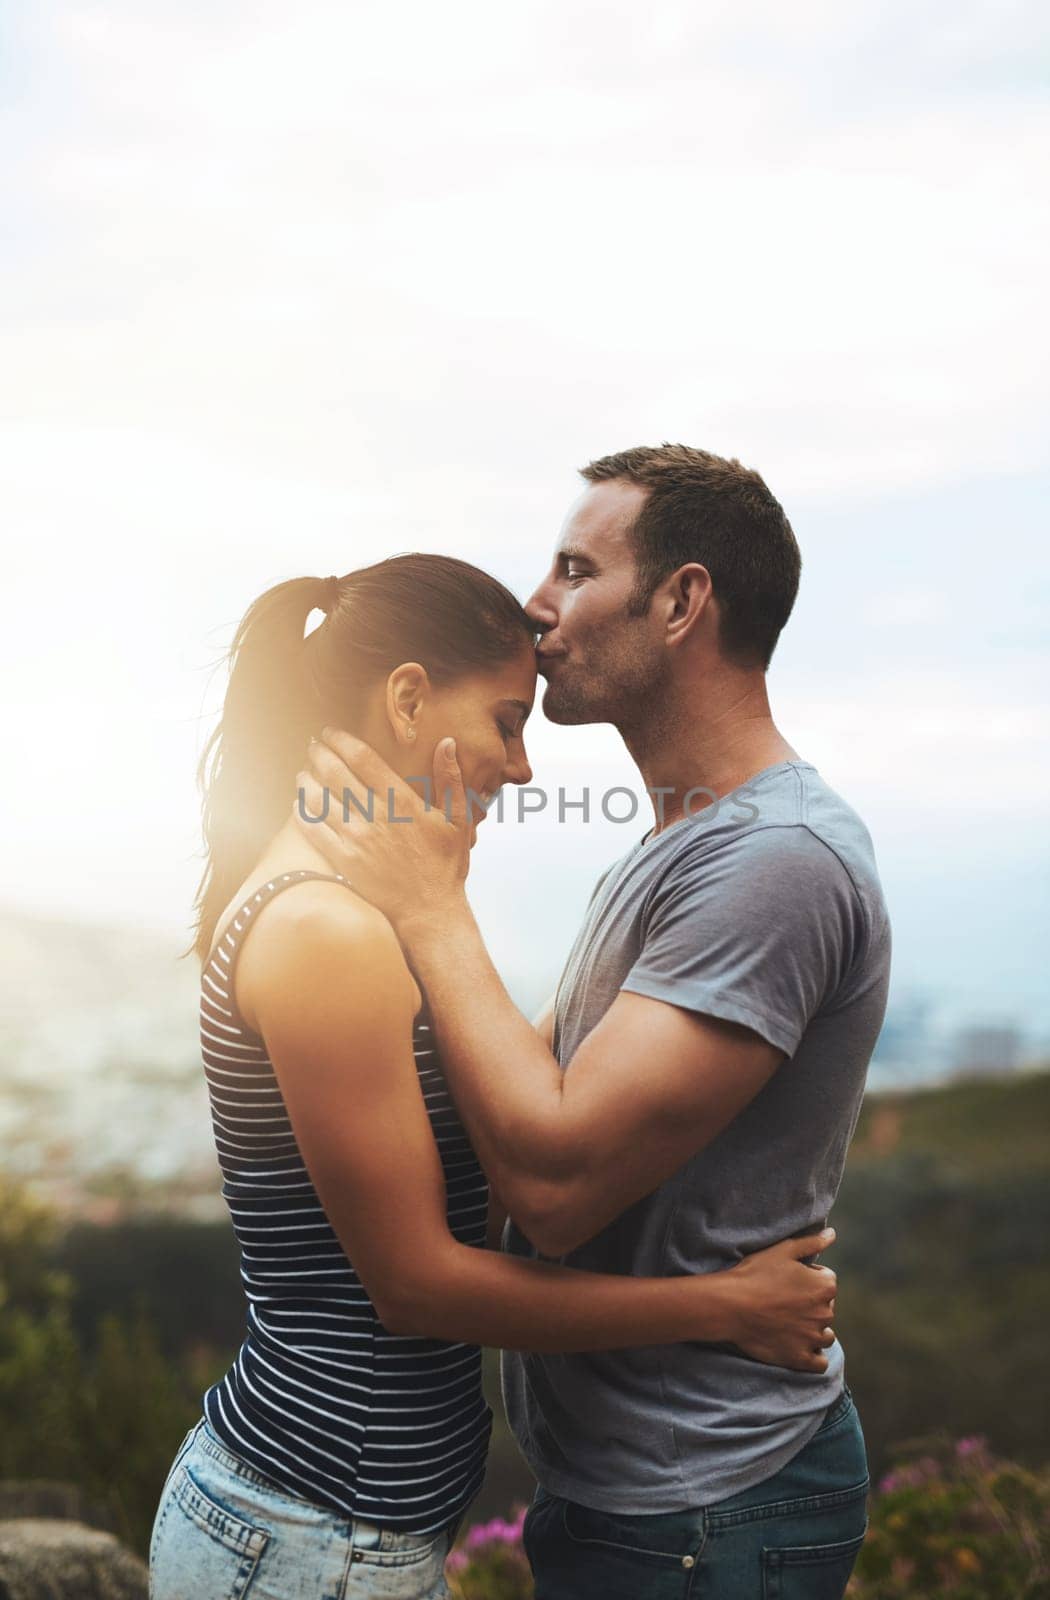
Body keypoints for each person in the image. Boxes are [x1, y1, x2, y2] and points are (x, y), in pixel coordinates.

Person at [149, 552, 839, 1600]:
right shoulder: (326, 931)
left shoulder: (359, 910)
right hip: (307, 1538)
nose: (520, 768)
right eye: (507, 721)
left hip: (332, 1532)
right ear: (408, 697)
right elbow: (418, 1284)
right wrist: (724, 1304)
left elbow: (503, 1091)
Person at [296, 446, 892, 1600]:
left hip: (706, 1503)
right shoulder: (688, 842)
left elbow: (558, 1187)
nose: (538, 602)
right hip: (653, 1496)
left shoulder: (773, 862)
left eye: (577, 567)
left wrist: (428, 901)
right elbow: (544, 1085)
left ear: (682, 602)